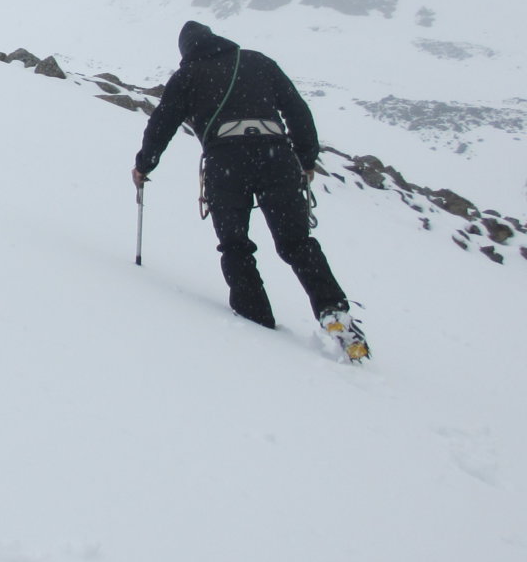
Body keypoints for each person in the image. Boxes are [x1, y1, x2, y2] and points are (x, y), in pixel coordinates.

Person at [131, 21, 370, 360]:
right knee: (297, 243)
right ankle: (334, 312)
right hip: (277, 157)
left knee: (236, 246)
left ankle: (256, 321)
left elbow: (162, 124)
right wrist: (305, 158)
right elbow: (297, 109)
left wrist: (144, 166)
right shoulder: (258, 61)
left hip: (226, 164)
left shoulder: (188, 76)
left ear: (186, 51)